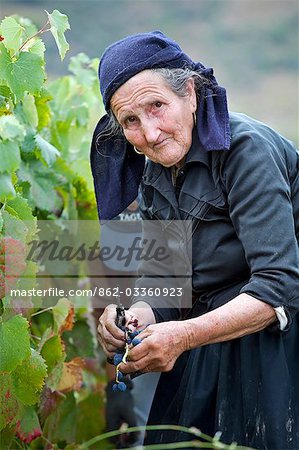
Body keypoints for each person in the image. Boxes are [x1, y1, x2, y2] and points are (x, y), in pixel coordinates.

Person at [90, 31, 299, 449]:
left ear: (190, 93)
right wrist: (137, 319)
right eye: (131, 121)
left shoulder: (245, 151)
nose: (149, 133)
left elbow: (279, 286)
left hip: (276, 347)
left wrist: (183, 336)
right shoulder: (154, 171)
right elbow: (166, 282)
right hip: (208, 341)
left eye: (157, 107)